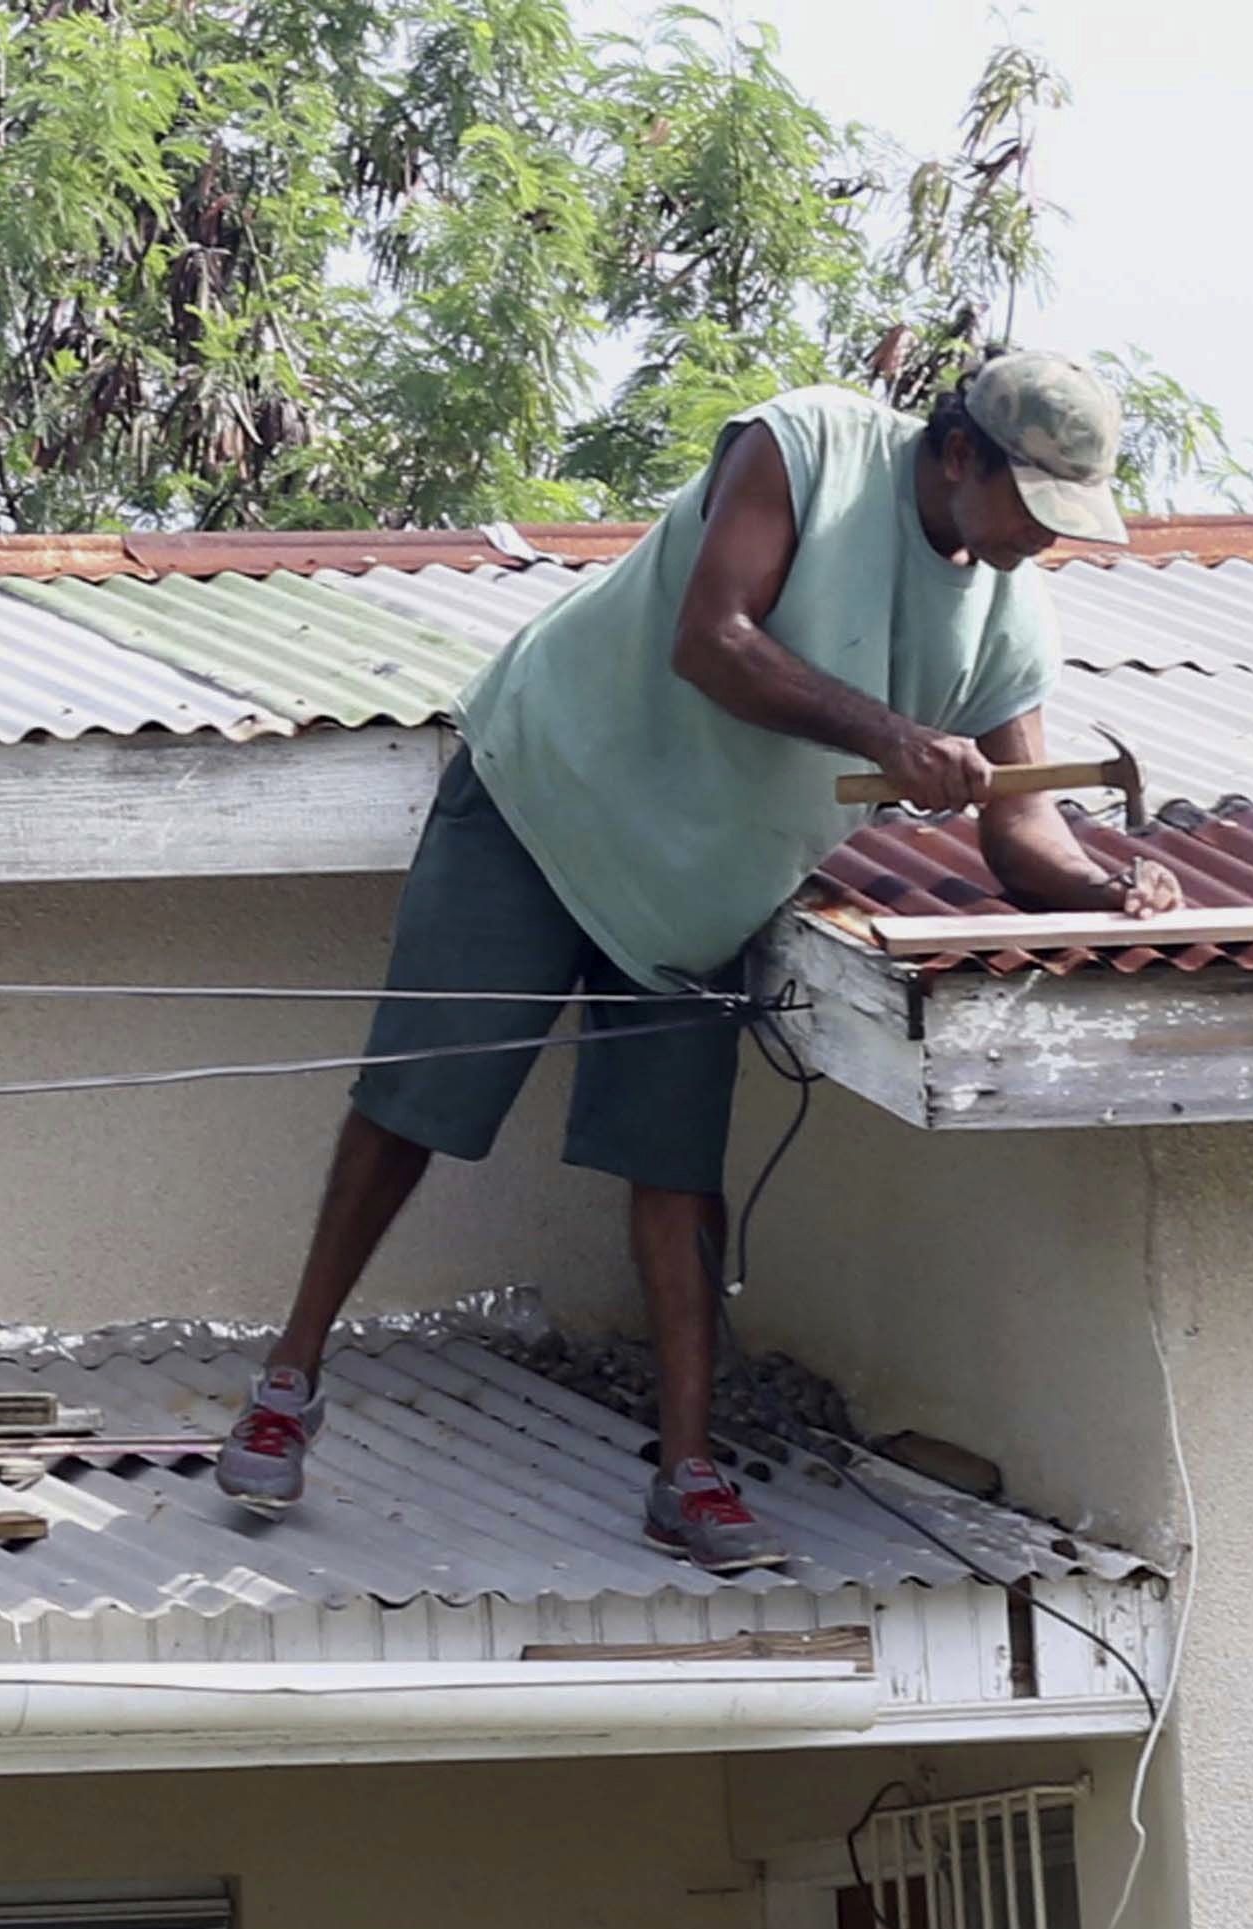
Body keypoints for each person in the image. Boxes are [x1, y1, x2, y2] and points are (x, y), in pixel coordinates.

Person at [218, 350, 1185, 1569]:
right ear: (956, 454)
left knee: (673, 1168)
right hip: (546, 797)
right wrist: (895, 735)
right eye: (1031, 510)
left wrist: (1108, 886)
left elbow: (1019, 825)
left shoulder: (1006, 615)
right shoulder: (809, 448)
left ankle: (690, 1472)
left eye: (1065, 524)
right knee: (418, 1098)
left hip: (694, 891)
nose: (1040, 544)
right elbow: (712, 641)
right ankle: (287, 1382)